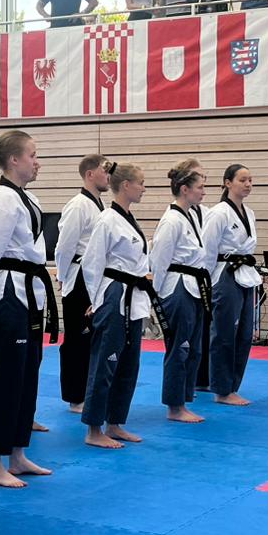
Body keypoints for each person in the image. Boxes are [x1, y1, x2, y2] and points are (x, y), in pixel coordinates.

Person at [0, 130, 56, 487]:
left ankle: (17, 454)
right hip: (7, 295)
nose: (37, 162)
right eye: (32, 155)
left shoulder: (26, 198)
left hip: (29, 292)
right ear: (14, 160)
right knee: (4, 378)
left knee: (27, 375)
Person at [79, 161, 153, 449]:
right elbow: (91, 263)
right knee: (105, 362)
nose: (144, 188)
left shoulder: (128, 218)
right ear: (126, 185)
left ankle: (115, 423)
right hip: (114, 296)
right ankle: (93, 429)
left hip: (133, 297)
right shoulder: (107, 220)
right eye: (141, 183)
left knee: (128, 363)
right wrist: (96, 301)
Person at [152, 161, 210, 424]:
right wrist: (156, 297)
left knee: (193, 348)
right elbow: (159, 261)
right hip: (177, 289)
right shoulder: (172, 220)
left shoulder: (191, 215)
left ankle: (184, 400)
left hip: (194, 286)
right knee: (180, 348)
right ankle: (174, 406)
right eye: (200, 187)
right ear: (185, 189)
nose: (204, 192)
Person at [201, 163, 259, 406]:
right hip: (225, 274)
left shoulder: (250, 213)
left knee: (244, 334)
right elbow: (207, 249)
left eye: (250, 180)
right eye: (242, 180)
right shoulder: (218, 213)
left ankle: (232, 385)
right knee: (224, 333)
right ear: (227, 183)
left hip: (246, 273)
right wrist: (205, 282)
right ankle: (222, 390)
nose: (248, 184)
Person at [55, 155, 108, 413]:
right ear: (89, 174)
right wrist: (62, 275)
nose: (108, 175)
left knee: (94, 339)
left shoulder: (101, 205)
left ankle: (90, 391)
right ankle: (76, 397)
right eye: (104, 170)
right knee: (78, 338)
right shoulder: (78, 205)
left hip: (95, 277)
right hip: (78, 278)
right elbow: (64, 246)